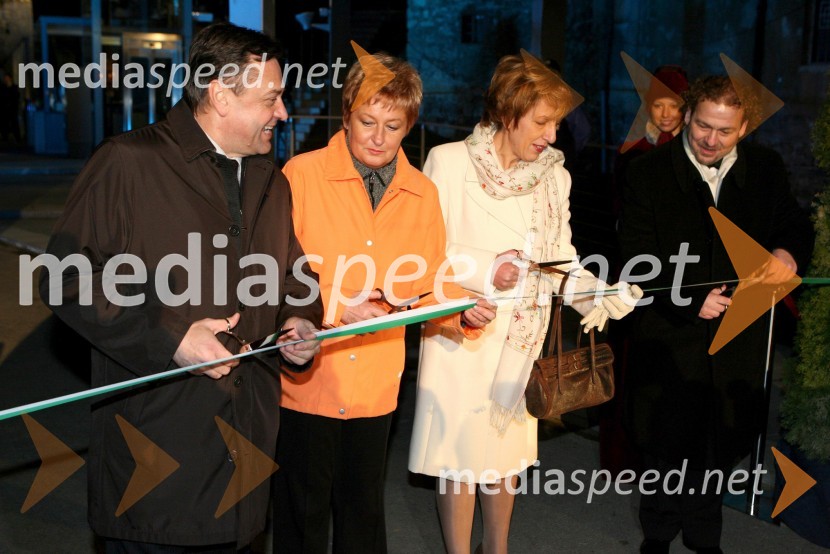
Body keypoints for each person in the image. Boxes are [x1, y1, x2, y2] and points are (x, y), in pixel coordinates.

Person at [39, 22, 322, 552]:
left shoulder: (270, 180)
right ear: (219, 94)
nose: (282, 114)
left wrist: (301, 319)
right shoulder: (129, 163)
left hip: (248, 456)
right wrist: (173, 336)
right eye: (271, 99)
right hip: (160, 459)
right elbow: (67, 279)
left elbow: (294, 274)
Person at [407, 51, 642, 554]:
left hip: (521, 335)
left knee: (505, 459)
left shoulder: (555, 177)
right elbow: (421, 253)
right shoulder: (448, 162)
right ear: (507, 112)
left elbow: (560, 262)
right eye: (541, 122)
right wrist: (485, 267)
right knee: (459, 457)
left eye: (555, 123)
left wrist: (600, 293)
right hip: (462, 329)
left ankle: (498, 549)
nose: (552, 136)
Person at [273, 52, 496, 553]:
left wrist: (461, 308)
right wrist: (335, 303)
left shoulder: (421, 192)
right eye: (366, 122)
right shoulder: (300, 175)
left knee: (363, 513)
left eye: (392, 126)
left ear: (409, 125)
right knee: (300, 514)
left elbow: (432, 277)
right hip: (309, 375)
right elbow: (273, 270)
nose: (378, 137)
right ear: (346, 113)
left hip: (375, 380)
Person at [619, 75, 813, 553]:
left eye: (724, 131)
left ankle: (706, 538)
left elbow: (793, 222)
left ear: (744, 126)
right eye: (702, 125)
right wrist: (687, 295)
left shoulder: (765, 168)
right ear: (687, 115)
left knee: (720, 441)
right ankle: (658, 536)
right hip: (668, 334)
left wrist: (787, 252)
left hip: (739, 334)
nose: (710, 139)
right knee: (664, 443)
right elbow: (633, 253)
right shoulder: (648, 172)